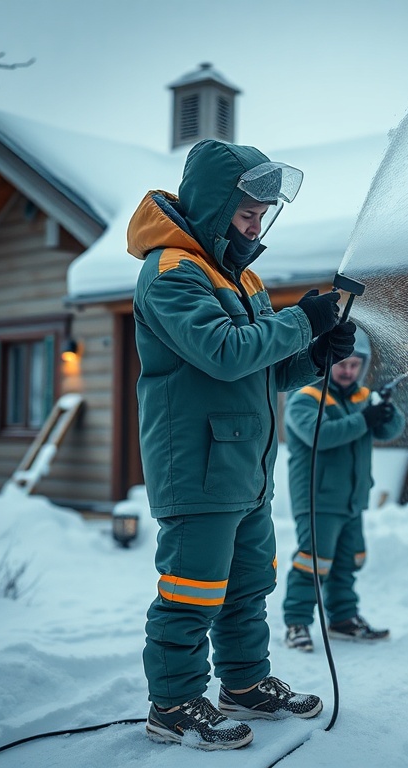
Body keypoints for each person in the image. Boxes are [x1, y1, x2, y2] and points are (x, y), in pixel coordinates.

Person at [127, 138, 356, 751]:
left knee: (248, 582)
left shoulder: (243, 277)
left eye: (262, 216)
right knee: (192, 588)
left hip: (246, 463)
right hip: (196, 463)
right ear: (213, 206)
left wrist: (313, 354)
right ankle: (173, 704)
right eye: (246, 214)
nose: (255, 227)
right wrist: (302, 321)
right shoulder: (171, 273)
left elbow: (264, 370)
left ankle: (245, 685)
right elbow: (226, 353)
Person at [281, 326, 406, 652]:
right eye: (342, 363)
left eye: (355, 364)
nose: (348, 371)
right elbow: (319, 435)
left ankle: (343, 620)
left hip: (353, 496)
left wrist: (386, 412)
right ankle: (296, 624)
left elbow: (390, 430)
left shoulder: (362, 397)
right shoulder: (304, 398)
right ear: (327, 361)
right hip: (317, 497)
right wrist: (366, 419)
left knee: (348, 560)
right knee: (313, 561)